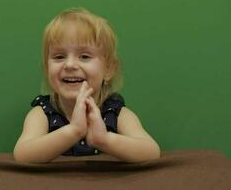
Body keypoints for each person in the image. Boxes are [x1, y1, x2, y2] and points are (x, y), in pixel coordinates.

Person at [13, 8, 160, 163]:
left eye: (84, 56)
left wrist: (105, 140)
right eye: (59, 56)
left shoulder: (115, 113)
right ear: (46, 67)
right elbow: (23, 155)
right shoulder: (43, 113)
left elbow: (151, 152)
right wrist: (73, 131)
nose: (69, 65)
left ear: (108, 69)